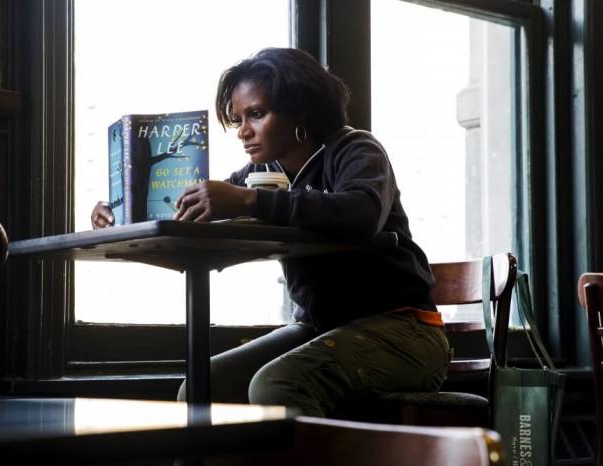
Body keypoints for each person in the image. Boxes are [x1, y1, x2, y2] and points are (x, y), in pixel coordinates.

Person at [91, 47, 450, 417]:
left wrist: (250, 201)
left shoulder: (354, 149)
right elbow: (185, 210)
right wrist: (121, 211)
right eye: (238, 120)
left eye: (257, 114)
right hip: (319, 328)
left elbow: (361, 213)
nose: (243, 132)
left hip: (406, 329)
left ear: (300, 109)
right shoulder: (259, 174)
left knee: (276, 384)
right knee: (201, 387)